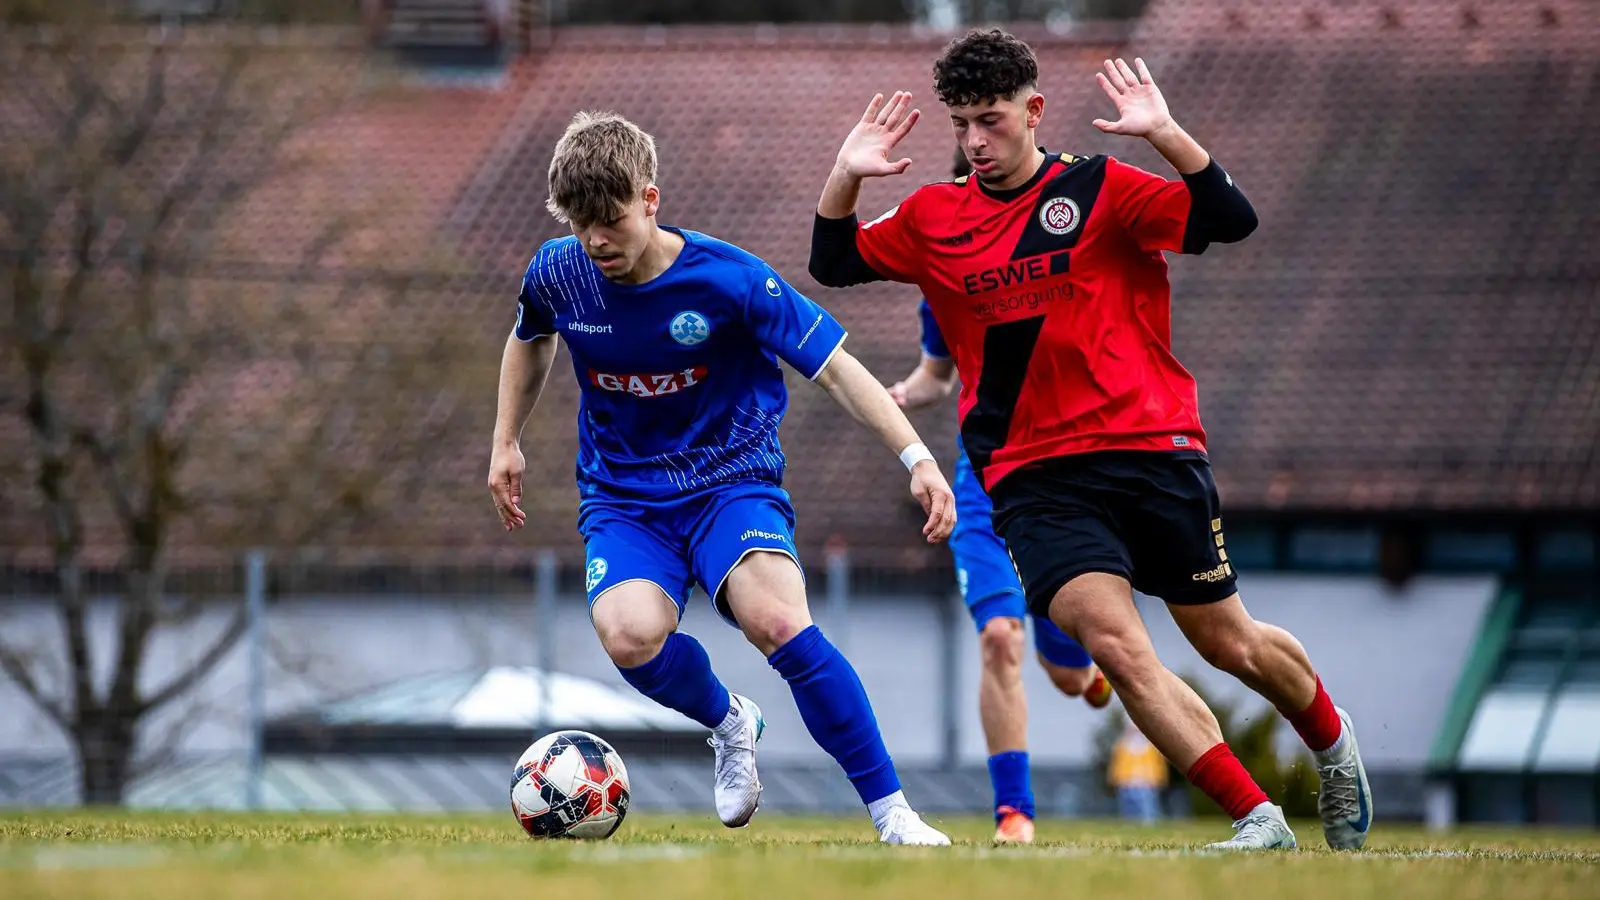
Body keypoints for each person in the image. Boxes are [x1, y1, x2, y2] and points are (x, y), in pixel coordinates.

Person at [809, 29, 1372, 851]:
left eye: (991, 120)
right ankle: (1257, 820)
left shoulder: (1103, 187)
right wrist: (844, 174)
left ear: (1033, 110)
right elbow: (832, 262)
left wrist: (1165, 134)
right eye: (961, 124)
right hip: (1030, 476)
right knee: (1116, 644)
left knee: (1227, 642)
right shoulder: (934, 216)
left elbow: (1231, 217)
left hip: (1151, 447)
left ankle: (1331, 740)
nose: (974, 142)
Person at [489, 111, 954, 845]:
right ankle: (731, 722)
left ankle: (892, 814)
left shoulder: (730, 280)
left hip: (730, 483)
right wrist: (505, 440)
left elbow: (835, 368)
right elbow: (529, 339)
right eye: (581, 226)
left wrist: (919, 460)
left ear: (650, 199)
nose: (596, 242)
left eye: (609, 220)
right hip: (624, 497)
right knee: (628, 635)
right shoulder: (560, 272)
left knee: (779, 622)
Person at [887, 150, 1112, 845]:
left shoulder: (1062, 256)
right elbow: (937, 376)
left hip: (1062, 486)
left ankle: (1092, 674)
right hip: (984, 488)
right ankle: (1014, 813)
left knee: (1068, 676)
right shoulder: (946, 277)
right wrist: (891, 400)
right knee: (997, 637)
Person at [1109, 721, 1168, 824]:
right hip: (1126, 783)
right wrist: (1116, 778)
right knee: (1128, 809)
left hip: (1146, 783)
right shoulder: (1122, 746)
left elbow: (1158, 765)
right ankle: (1130, 824)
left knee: (1148, 809)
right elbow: (1117, 764)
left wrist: (1158, 779)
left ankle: (1149, 824)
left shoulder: (1151, 747)